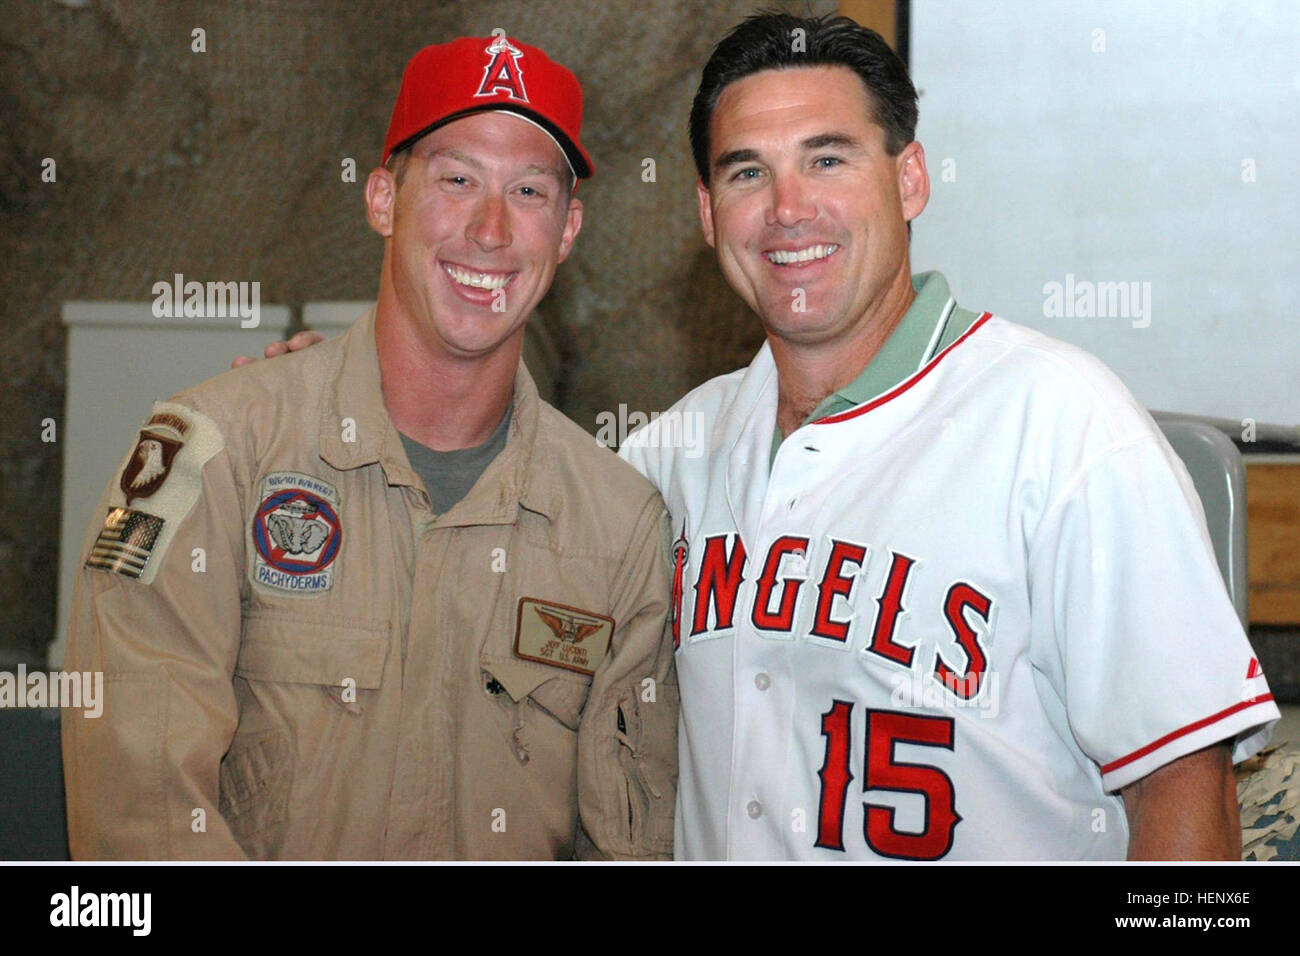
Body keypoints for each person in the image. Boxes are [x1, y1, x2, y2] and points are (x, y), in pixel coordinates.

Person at [616, 13, 1279, 860]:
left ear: (911, 180)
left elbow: (1185, 782)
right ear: (708, 214)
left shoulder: (1065, 423)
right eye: (749, 172)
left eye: (828, 158)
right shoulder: (665, 458)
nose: (788, 208)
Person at [62, 34, 678, 860]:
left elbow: (629, 841)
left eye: (528, 191)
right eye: (457, 179)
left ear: (566, 231)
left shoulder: (616, 524)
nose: (490, 230)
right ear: (384, 199)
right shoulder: (211, 455)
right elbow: (140, 811)